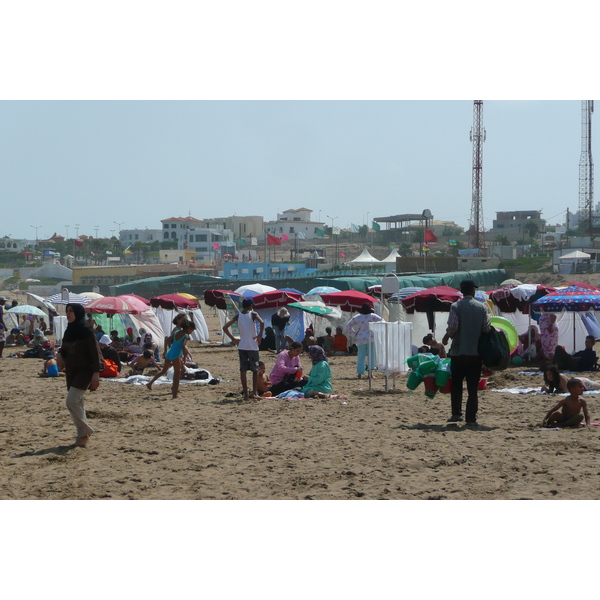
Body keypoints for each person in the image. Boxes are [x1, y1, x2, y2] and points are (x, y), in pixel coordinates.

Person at [441, 279, 491, 426]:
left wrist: (446, 337)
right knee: (472, 388)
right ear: (473, 291)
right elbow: (486, 328)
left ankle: (456, 414)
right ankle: (471, 418)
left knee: (457, 385)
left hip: (458, 353)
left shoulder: (456, 306)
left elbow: (453, 327)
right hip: (475, 354)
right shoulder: (482, 308)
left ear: (462, 291)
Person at [56, 303, 104, 447]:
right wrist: (59, 354)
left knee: (71, 401)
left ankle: (85, 431)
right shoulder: (69, 331)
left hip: (85, 371)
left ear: (78, 313)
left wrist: (96, 373)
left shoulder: (87, 331)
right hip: (71, 371)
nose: (68, 313)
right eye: (67, 311)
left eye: (71, 311)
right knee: (78, 403)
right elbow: (64, 349)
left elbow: (96, 353)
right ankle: (82, 436)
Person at [223, 298, 265, 400]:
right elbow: (262, 322)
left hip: (242, 346)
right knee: (255, 370)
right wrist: (259, 335)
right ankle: (254, 392)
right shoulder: (253, 314)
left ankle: (246, 394)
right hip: (252, 346)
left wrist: (233, 339)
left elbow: (225, 327)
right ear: (251, 306)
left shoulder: (239, 315)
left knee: (243, 370)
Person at [147, 319, 195, 399]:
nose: (192, 332)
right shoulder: (185, 336)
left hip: (169, 353)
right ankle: (174, 394)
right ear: (189, 328)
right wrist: (185, 357)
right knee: (176, 375)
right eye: (192, 330)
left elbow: (167, 340)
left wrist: (165, 351)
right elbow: (183, 346)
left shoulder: (176, 333)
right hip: (175, 355)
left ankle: (150, 383)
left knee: (164, 371)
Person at [346, 302, 384, 378]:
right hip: (371, 338)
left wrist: (354, 333)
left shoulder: (357, 317)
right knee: (371, 356)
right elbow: (383, 321)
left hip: (361, 338)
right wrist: (376, 329)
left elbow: (348, 325)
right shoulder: (373, 316)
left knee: (361, 356)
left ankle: (359, 374)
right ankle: (370, 374)